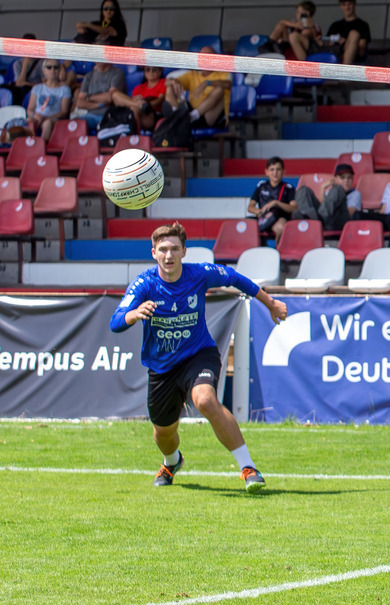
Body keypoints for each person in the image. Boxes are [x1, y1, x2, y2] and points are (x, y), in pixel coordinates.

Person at [110, 223, 287, 493]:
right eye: (163, 250)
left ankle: (248, 468)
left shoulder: (200, 273)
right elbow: (115, 322)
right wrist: (133, 315)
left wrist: (270, 302)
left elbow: (236, 279)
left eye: (174, 249)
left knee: (204, 399)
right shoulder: (144, 283)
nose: (168, 255)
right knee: (164, 434)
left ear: (184, 252)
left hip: (198, 354)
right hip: (161, 368)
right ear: (154, 253)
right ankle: (172, 462)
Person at [163, 46, 232, 129]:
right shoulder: (193, 74)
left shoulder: (223, 73)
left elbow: (228, 84)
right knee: (170, 86)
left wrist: (208, 83)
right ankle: (177, 115)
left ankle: (192, 116)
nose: (205, 60)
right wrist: (173, 81)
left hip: (209, 116)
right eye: (203, 57)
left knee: (220, 89)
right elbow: (167, 82)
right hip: (190, 111)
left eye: (209, 57)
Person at [294, 162, 363, 233]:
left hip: (339, 221)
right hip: (324, 220)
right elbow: (322, 206)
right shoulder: (331, 192)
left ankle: (315, 222)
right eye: (342, 178)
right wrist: (322, 188)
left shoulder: (355, 194)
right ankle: (306, 219)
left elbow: (350, 213)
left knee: (338, 189)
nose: (346, 180)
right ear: (335, 179)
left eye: (349, 178)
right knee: (303, 190)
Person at [249, 156, 297, 241]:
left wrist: (277, 203)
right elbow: (250, 207)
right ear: (266, 172)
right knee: (243, 224)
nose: (275, 172)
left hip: (280, 218)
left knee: (280, 227)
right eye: (272, 169)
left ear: (283, 171)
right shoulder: (261, 186)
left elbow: (294, 208)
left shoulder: (288, 188)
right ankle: (257, 250)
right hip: (263, 219)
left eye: (278, 169)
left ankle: (279, 252)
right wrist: (259, 212)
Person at [71, 60, 126, 131]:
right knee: (73, 125)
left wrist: (89, 97)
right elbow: (79, 103)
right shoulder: (89, 76)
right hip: (90, 115)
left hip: (108, 115)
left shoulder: (117, 73)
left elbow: (109, 97)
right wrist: (99, 104)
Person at [26, 60, 72, 142]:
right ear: (44, 70)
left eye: (56, 67)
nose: (52, 70)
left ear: (59, 70)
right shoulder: (37, 88)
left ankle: (41, 146)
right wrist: (35, 115)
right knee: (27, 121)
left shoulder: (65, 89)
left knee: (47, 123)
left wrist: (46, 117)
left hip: (54, 119)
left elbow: (64, 112)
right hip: (37, 117)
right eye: (49, 67)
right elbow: (30, 109)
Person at [111, 65, 165, 132]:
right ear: (144, 72)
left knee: (134, 109)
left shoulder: (163, 82)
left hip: (153, 114)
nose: (151, 72)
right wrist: (140, 104)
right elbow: (131, 102)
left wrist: (148, 104)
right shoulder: (138, 88)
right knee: (115, 94)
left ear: (160, 72)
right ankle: (141, 105)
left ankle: (135, 137)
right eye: (148, 69)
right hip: (136, 110)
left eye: (154, 69)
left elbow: (160, 99)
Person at [324, 0, 371, 65]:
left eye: (349, 4)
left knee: (354, 34)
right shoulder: (335, 25)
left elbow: (361, 50)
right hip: (336, 58)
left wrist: (343, 42)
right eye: (344, 5)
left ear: (354, 4)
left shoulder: (363, 25)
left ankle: (345, 70)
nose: (347, 7)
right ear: (341, 6)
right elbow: (327, 45)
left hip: (355, 59)